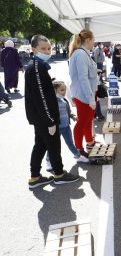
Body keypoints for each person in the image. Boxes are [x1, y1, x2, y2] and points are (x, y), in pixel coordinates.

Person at [25, 35, 80, 188]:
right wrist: (50, 121)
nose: (47, 51)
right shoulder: (37, 67)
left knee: (40, 145)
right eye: (43, 48)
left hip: (40, 117)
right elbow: (41, 98)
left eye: (49, 48)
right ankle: (59, 174)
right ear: (34, 49)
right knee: (53, 145)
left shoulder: (37, 66)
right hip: (44, 118)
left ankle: (35, 177)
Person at [45, 81, 89, 172]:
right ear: (54, 90)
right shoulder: (51, 101)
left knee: (70, 142)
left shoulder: (64, 100)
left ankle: (78, 156)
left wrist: (73, 116)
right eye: (61, 90)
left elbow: (68, 110)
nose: (64, 92)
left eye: (65, 90)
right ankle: (49, 161)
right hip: (56, 128)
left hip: (66, 127)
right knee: (53, 145)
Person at [68, 29, 99, 157]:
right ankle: (79, 149)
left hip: (87, 94)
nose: (94, 43)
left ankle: (89, 142)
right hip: (84, 95)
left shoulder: (83, 53)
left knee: (87, 120)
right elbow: (83, 78)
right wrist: (90, 98)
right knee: (82, 122)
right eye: (93, 40)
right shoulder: (81, 54)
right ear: (88, 40)